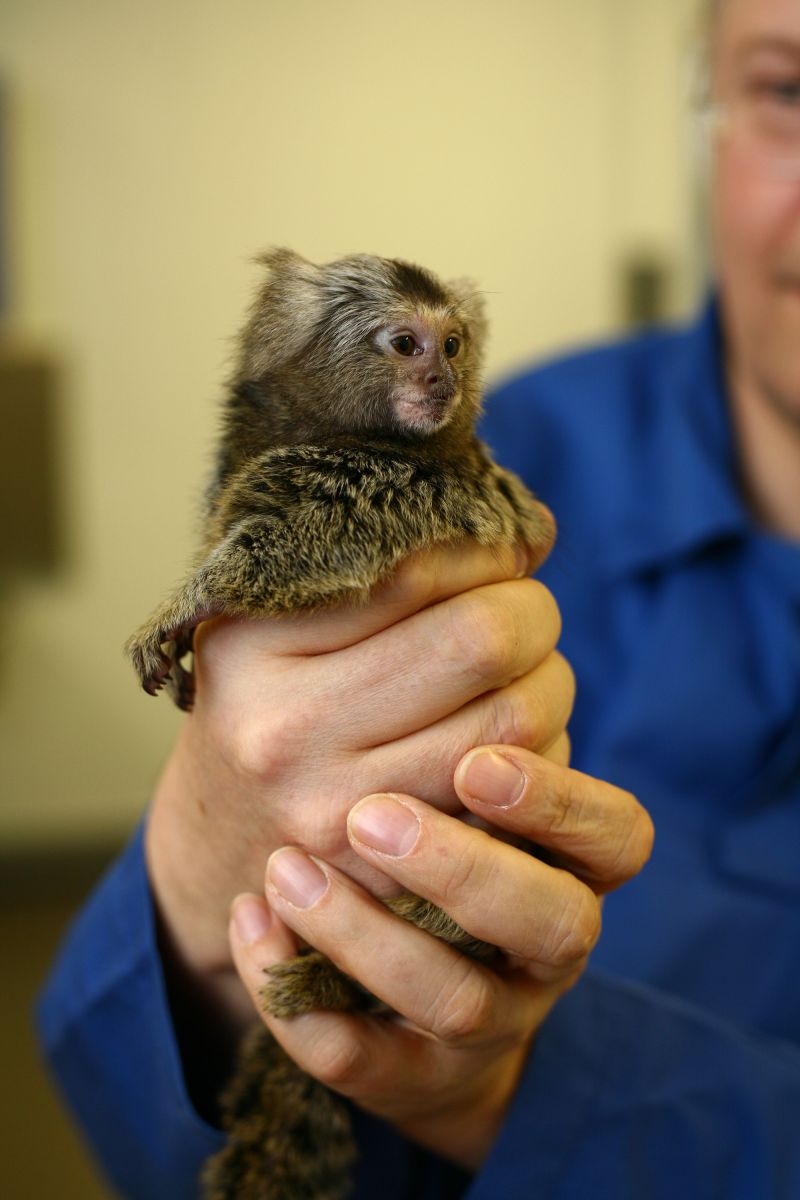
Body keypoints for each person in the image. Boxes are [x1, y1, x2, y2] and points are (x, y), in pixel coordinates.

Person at [38, 0, 800, 1196]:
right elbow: (133, 1111)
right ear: (706, 110)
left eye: (441, 349)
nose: (434, 377)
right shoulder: (543, 446)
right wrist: (201, 890)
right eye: (786, 91)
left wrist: (522, 1088)